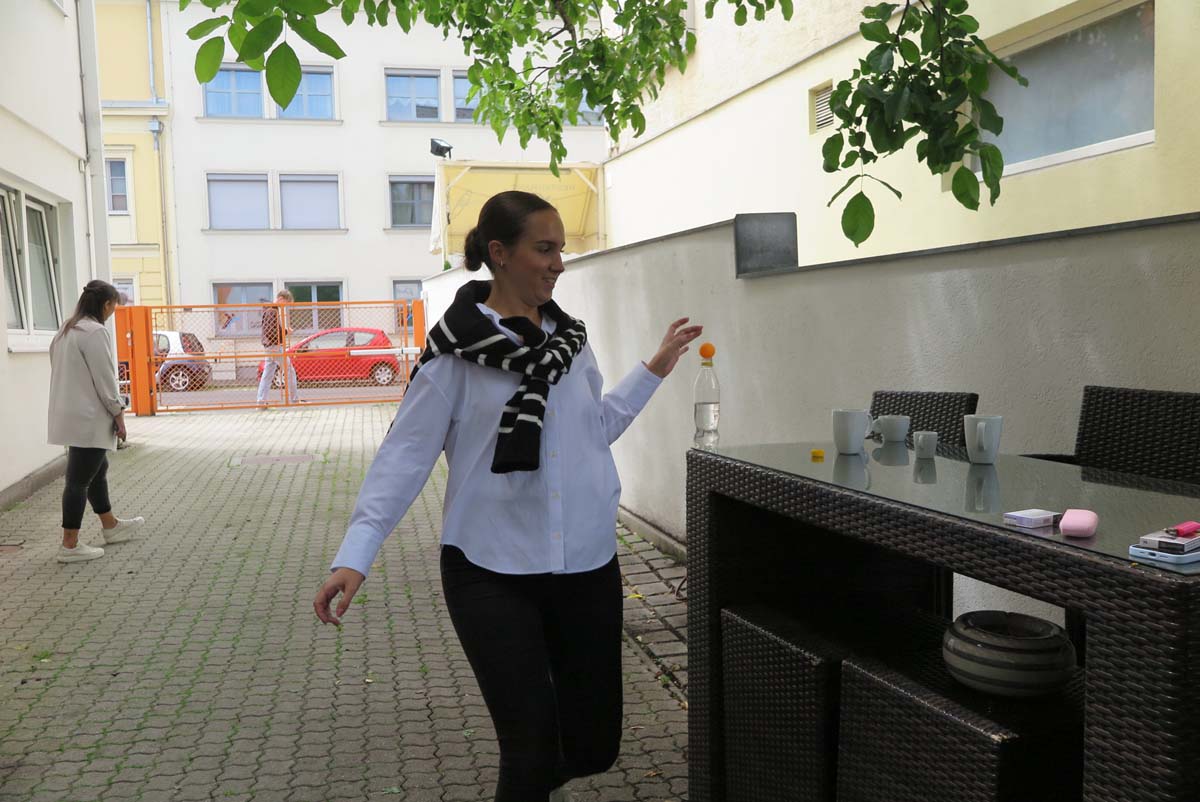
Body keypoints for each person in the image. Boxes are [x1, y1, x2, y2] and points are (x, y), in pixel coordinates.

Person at [314, 191, 702, 801]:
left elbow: (592, 429)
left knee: (595, 747)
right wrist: (355, 556)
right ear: (499, 253)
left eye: (561, 250)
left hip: (586, 564)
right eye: (544, 249)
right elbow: (403, 459)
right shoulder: (453, 358)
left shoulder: (570, 344)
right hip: (489, 569)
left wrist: (652, 370)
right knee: (528, 748)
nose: (558, 264)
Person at [48, 280, 144, 564]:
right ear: (106, 304)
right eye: (114, 307)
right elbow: (105, 379)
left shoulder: (66, 330)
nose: (113, 312)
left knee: (97, 469)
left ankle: (110, 525)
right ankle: (69, 545)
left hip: (68, 413)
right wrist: (118, 413)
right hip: (89, 417)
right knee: (77, 481)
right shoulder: (95, 332)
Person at [257, 289, 300, 407]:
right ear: (281, 299)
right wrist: (285, 332)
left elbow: (271, 330)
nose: (284, 306)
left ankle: (261, 401)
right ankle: (295, 399)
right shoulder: (273, 311)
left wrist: (283, 332)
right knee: (289, 370)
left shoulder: (269, 309)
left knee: (268, 374)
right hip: (275, 346)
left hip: (269, 346)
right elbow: (272, 331)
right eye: (285, 303)